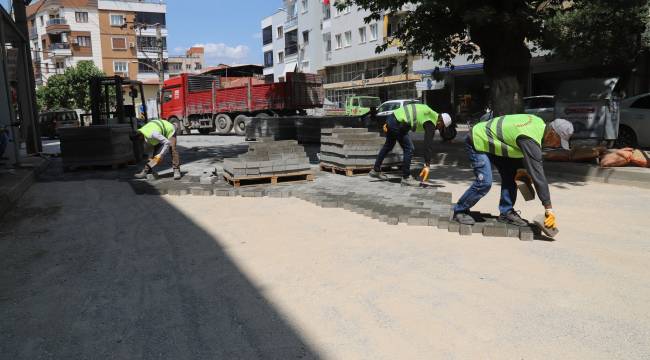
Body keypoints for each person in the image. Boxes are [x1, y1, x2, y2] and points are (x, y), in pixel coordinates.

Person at [452, 115, 574, 230]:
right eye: (558, 141)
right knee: (485, 182)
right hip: (478, 139)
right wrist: (549, 209)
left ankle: (506, 213)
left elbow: (524, 166)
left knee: (513, 174)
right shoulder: (530, 138)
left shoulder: (539, 124)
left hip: (495, 141)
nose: (557, 145)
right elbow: (538, 175)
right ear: (552, 133)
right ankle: (460, 210)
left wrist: (525, 181)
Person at [369, 103, 452, 186]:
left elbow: (408, 112)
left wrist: (389, 122)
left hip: (393, 119)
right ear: (440, 121)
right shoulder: (431, 122)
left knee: (388, 145)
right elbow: (427, 144)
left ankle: (376, 170)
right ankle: (406, 177)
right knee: (409, 148)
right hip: (397, 123)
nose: (439, 129)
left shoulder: (429, 112)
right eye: (442, 127)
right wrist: (427, 164)